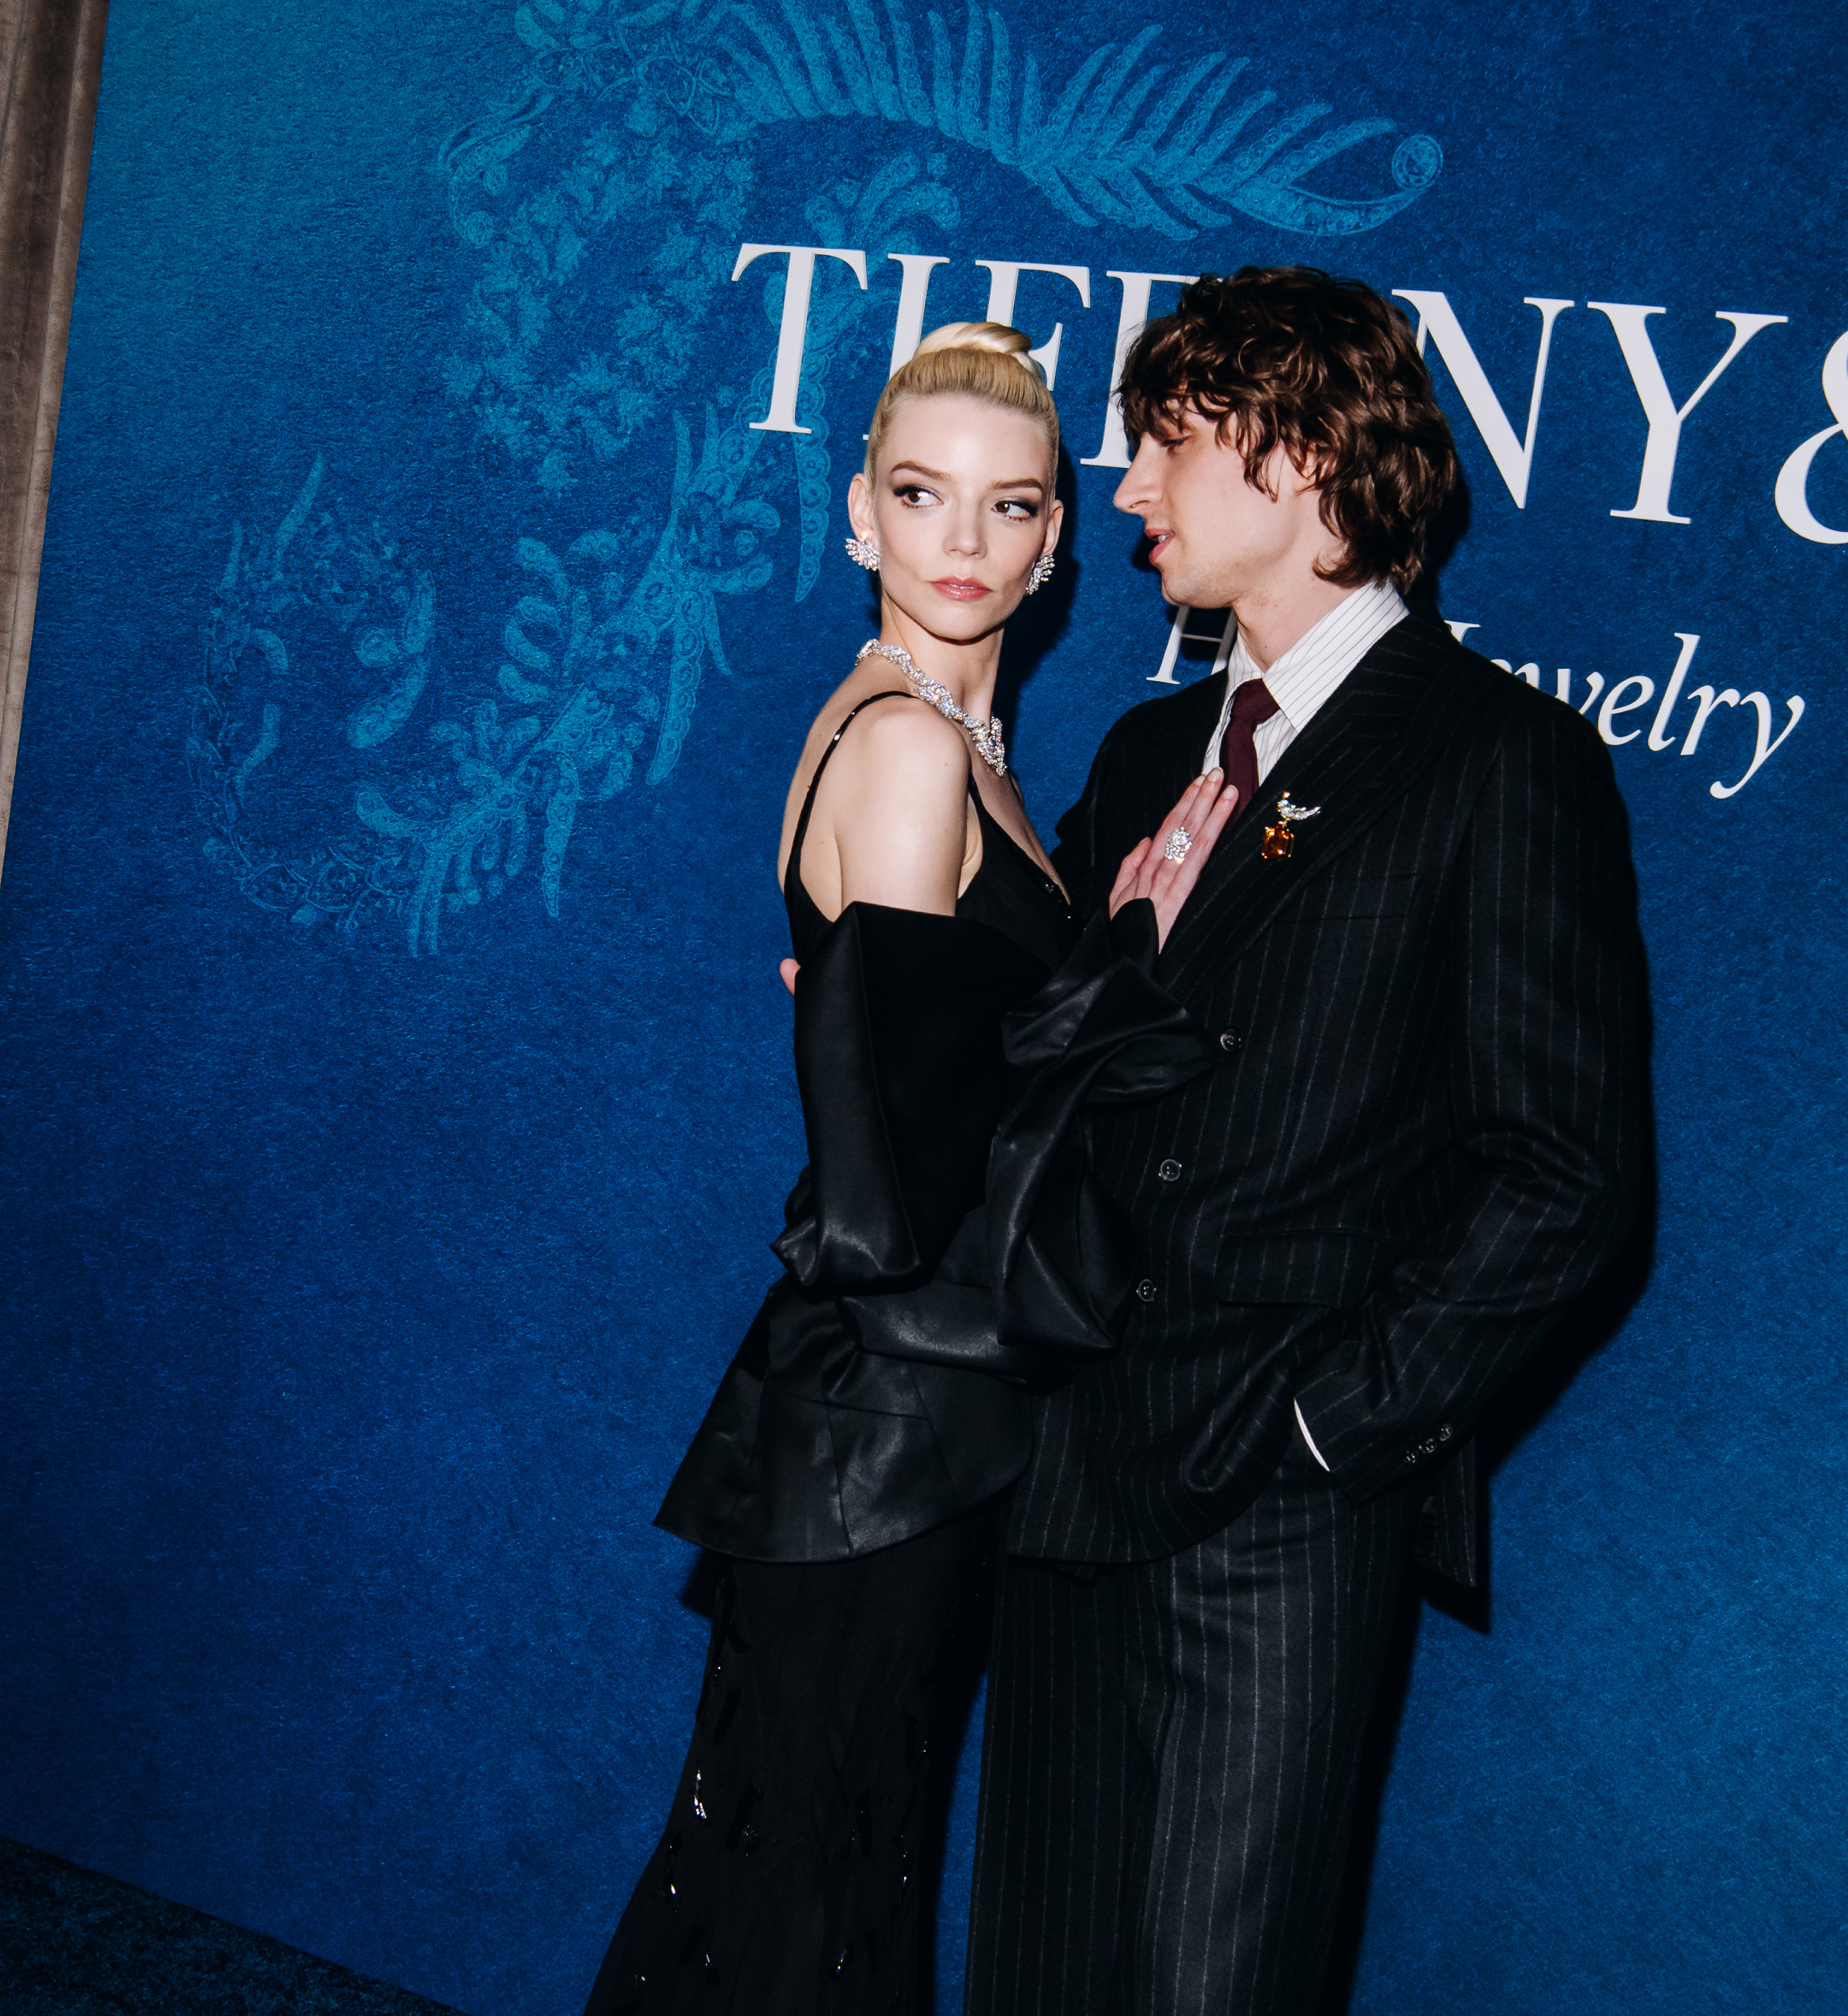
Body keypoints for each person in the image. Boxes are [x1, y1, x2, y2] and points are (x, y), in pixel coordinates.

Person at [966, 268, 1651, 2015]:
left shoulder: (1501, 759)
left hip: (1273, 1507)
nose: (1127, 487)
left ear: (1300, 452)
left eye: (1166, 445)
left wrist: (1329, 1426)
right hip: (1067, 1462)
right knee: (1042, 1975)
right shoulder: (1146, 751)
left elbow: (1569, 1173)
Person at [586, 322, 1233, 2015]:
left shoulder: (967, 748)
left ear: (1057, 541)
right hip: (891, 1409)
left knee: (803, 1877)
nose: (965, 540)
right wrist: (1112, 1009)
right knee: (806, 1900)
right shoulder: (911, 748)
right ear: (858, 513)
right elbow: (910, 1171)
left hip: (906, 1409)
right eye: (922, 495)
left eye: (1010, 505)